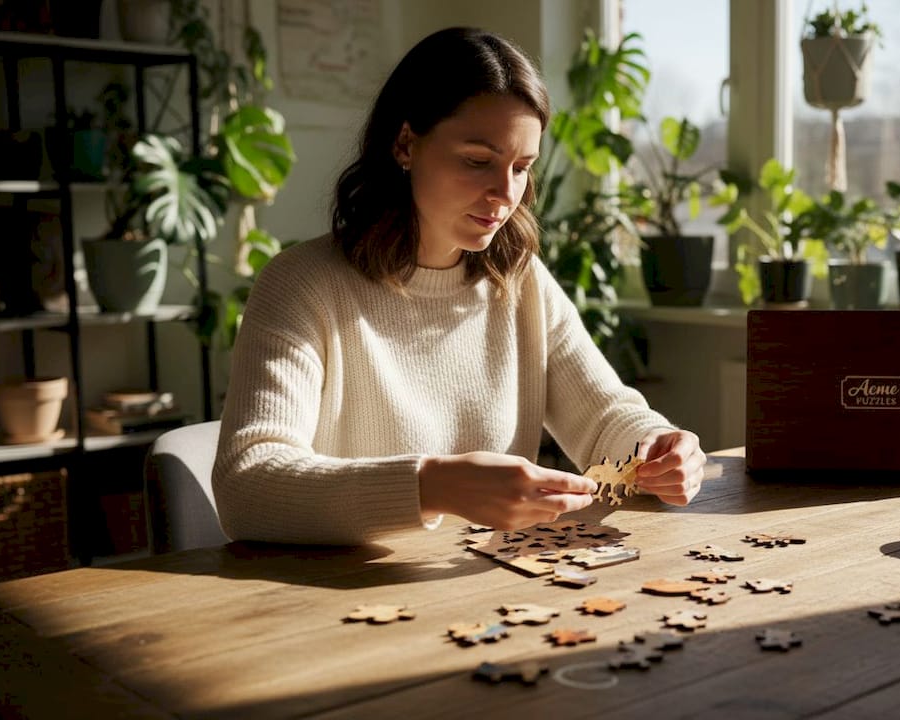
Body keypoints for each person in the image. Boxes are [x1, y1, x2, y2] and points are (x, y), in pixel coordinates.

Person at [211, 27, 705, 545]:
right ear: (405, 143)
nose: (505, 193)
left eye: (522, 167)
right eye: (477, 161)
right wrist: (430, 486)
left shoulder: (520, 281)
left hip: (482, 591)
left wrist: (656, 448)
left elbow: (604, 416)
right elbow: (246, 486)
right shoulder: (300, 285)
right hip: (342, 600)